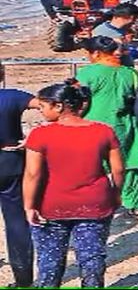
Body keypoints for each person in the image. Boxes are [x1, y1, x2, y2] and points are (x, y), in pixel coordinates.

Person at [23, 80, 123, 289]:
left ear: (58, 106)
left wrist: (29, 205)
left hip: (51, 205)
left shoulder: (41, 134)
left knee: (49, 261)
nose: (40, 112)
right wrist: (116, 193)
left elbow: (33, 174)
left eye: (43, 107)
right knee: (92, 257)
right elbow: (118, 170)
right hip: (95, 202)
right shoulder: (103, 131)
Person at [75, 36, 138, 217]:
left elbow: (78, 101)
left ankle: (95, 204)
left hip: (93, 126)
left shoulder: (87, 74)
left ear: (96, 53)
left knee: (93, 168)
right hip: (126, 125)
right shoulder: (131, 74)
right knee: (131, 165)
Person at [0, 69, 38, 288]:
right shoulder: (12, 96)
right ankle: (23, 279)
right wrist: (38, 133)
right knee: (16, 222)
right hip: (10, 161)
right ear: (2, 74)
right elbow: (50, 104)